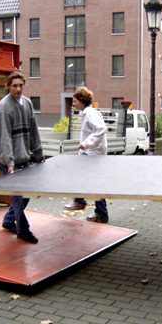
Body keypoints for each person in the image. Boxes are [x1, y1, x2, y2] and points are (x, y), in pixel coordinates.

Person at [0, 71, 44, 243]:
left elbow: (33, 131)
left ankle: (9, 221)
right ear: (8, 86)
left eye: (21, 85)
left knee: (25, 195)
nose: (18, 89)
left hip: (24, 156)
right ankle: (24, 231)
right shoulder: (3, 108)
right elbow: (5, 138)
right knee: (17, 197)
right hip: (9, 160)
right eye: (14, 86)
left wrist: (38, 154)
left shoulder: (28, 103)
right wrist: (10, 162)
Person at [63, 86, 109, 223]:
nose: (73, 103)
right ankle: (101, 214)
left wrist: (86, 143)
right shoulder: (87, 113)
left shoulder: (91, 114)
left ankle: (80, 201)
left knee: (76, 173)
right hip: (91, 152)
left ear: (82, 101)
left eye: (75, 101)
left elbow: (101, 129)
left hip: (92, 153)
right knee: (95, 184)